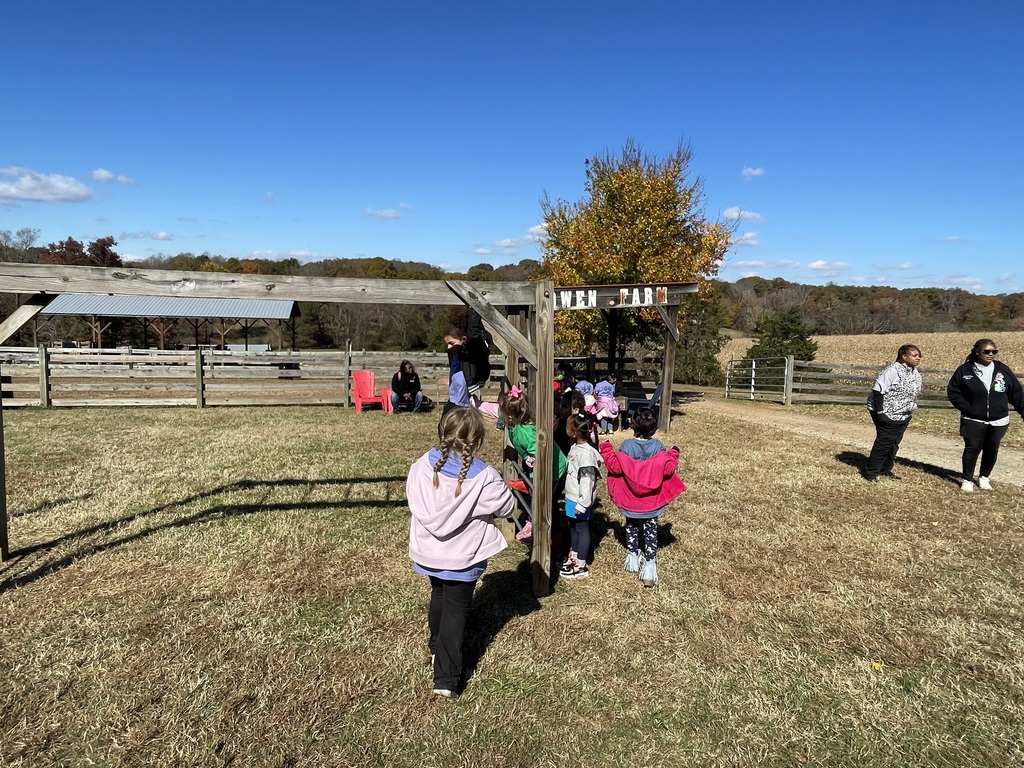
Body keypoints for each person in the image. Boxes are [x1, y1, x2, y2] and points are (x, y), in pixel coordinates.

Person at [407, 407, 515, 699]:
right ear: (477, 440)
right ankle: (446, 678)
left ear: (443, 432)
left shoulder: (420, 467)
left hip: (429, 552)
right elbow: (506, 507)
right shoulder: (485, 478)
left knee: (439, 596)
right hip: (462, 556)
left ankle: (435, 647)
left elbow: (414, 499)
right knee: (455, 610)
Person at [599, 407, 686, 588]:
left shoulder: (627, 447)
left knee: (631, 525)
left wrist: (606, 449)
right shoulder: (658, 447)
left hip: (631, 500)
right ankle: (650, 564)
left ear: (633, 425)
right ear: (653, 428)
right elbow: (668, 468)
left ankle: (632, 556)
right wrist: (674, 453)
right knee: (651, 529)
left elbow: (615, 467)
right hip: (652, 502)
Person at [946, 338, 1024, 493]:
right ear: (977, 351)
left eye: (994, 351)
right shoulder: (965, 370)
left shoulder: (1002, 370)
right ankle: (967, 479)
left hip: (999, 420)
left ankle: (984, 477)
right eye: (986, 351)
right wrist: (967, 408)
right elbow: (953, 392)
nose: (991, 354)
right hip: (973, 419)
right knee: (972, 448)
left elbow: (1016, 393)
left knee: (992, 449)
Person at [501, 384, 568, 543]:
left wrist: (531, 460)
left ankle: (537, 527)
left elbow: (540, 453)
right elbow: (493, 409)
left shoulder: (525, 431)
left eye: (502, 412)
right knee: (541, 497)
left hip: (551, 468)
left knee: (542, 500)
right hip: (536, 465)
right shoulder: (513, 424)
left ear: (509, 415)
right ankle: (552, 533)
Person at [863, 344, 923, 482]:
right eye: (914, 355)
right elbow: (878, 391)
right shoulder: (892, 370)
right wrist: (880, 413)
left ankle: (885, 469)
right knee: (883, 442)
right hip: (886, 413)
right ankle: (871, 473)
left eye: (919, 356)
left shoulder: (914, 372)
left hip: (903, 414)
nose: (918, 358)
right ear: (903, 356)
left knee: (894, 443)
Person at [560, 414, 603, 580]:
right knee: (573, 527)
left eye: (567, 427)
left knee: (581, 528)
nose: (565, 429)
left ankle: (581, 565)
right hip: (571, 496)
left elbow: (587, 481)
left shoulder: (586, 454)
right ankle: (575, 555)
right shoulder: (575, 448)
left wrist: (583, 504)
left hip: (579, 500)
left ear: (575, 432)